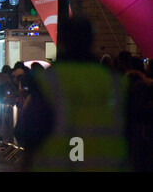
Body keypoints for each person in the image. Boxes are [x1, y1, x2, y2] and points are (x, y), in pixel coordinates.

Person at [25, 16, 129, 171]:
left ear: (63, 41)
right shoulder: (116, 83)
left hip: (57, 166)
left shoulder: (47, 81)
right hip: (105, 166)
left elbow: (28, 131)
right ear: (92, 41)